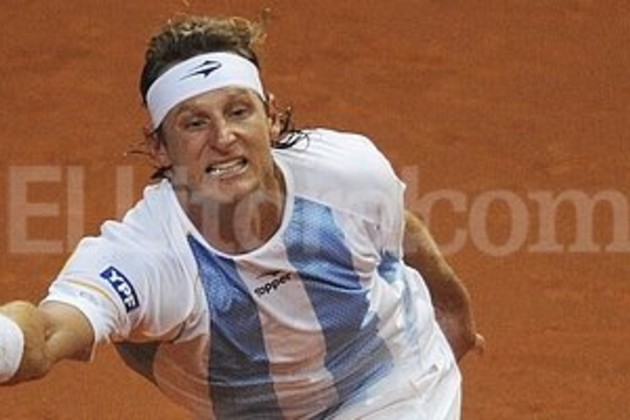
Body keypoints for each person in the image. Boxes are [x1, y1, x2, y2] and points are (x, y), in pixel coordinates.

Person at [0, 14, 482, 419]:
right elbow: (49, 330)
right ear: (159, 146)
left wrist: (452, 310)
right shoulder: (149, 256)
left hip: (392, 384)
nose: (224, 138)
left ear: (270, 118)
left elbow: (398, 229)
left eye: (238, 112)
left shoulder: (347, 173)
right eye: (194, 123)